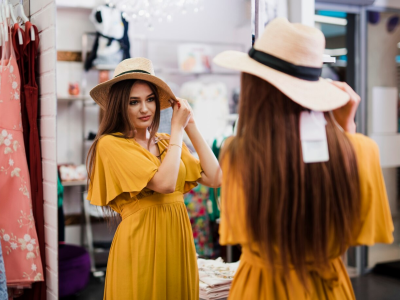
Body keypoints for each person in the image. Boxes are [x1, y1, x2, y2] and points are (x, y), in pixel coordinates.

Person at [214, 18, 394, 299]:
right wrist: (348, 133)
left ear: (255, 85)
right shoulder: (361, 151)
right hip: (329, 287)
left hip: (262, 287)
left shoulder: (237, 153)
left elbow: (236, 230)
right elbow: (359, 232)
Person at [86, 57, 221, 300]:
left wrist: (191, 126)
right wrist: (178, 129)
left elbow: (215, 177)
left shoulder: (167, 141)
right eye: (133, 102)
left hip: (178, 242)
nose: (145, 109)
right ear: (120, 106)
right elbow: (165, 184)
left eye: (150, 99)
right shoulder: (111, 144)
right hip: (140, 244)